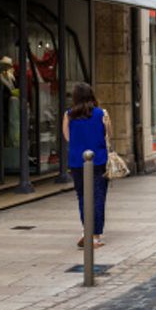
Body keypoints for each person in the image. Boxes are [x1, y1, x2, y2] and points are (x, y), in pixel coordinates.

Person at [62, 83, 112, 249]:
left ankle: (86, 231)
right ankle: (95, 236)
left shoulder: (68, 115)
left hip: (77, 161)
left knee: (83, 196)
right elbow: (109, 135)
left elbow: (68, 138)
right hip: (98, 161)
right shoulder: (101, 113)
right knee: (98, 196)